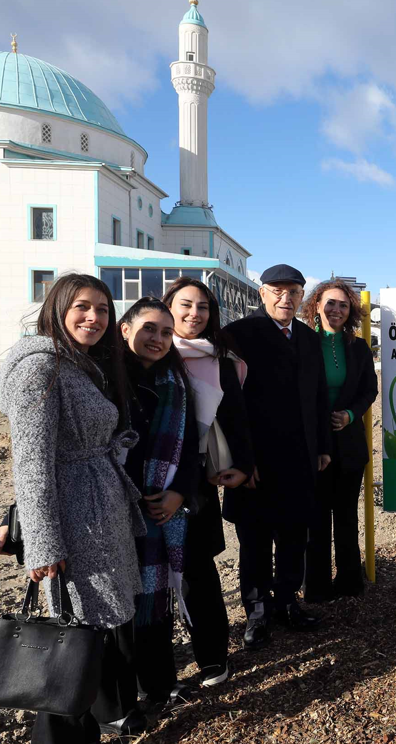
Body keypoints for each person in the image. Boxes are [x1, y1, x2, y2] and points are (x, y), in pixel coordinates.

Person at [0, 273, 146, 742]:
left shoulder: (78, 363)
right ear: (56, 308)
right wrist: (42, 544)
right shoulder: (39, 368)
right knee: (71, 640)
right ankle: (58, 735)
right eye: (82, 306)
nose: (94, 317)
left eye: (103, 309)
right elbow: (31, 461)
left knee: (92, 634)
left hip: (99, 510)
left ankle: (100, 718)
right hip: (74, 520)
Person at [222, 263, 331, 646]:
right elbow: (228, 404)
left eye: (294, 291)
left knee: (293, 537)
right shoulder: (238, 334)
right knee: (254, 541)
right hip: (255, 460)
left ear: (303, 296)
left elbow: (319, 395)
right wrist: (240, 460)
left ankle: (287, 603)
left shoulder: (307, 336)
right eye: (277, 290)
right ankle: (257, 612)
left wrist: (322, 448)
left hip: (300, 456)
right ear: (261, 293)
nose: (286, 297)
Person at [163, 277, 255, 688]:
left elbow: (237, 418)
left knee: (198, 571)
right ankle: (157, 670)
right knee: (147, 576)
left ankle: (213, 658)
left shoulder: (220, 359)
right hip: (142, 480)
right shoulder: (144, 353)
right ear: (167, 306)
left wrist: (245, 465)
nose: (194, 314)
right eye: (185, 305)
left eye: (203, 308)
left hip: (196, 481)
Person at [116, 298, 202, 709]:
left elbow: (190, 451)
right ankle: (123, 697)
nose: (158, 338)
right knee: (121, 608)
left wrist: (178, 494)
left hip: (159, 512)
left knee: (156, 603)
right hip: (112, 510)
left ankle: (161, 684)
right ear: (125, 329)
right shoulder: (103, 380)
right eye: (150, 328)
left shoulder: (176, 385)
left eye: (166, 332)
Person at [299, 278, 378, 600]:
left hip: (348, 444)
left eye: (343, 305)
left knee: (346, 516)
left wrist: (350, 414)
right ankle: (316, 588)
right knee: (315, 518)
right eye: (330, 303)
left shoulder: (357, 347)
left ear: (351, 312)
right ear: (316, 306)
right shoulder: (303, 342)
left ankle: (349, 582)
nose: (336, 309)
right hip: (313, 443)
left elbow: (368, 389)